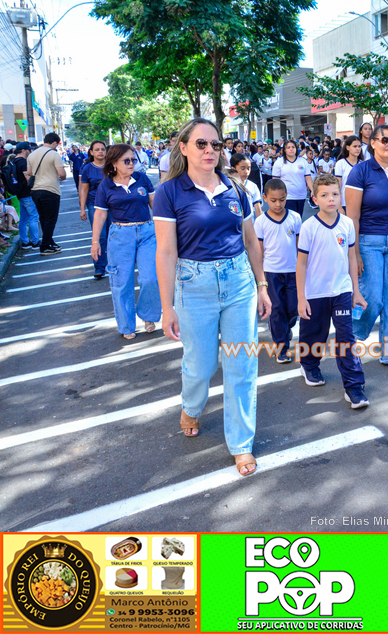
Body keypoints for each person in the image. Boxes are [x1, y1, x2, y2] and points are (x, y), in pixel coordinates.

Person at [153, 118, 271, 478]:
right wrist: (166, 306)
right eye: (201, 144)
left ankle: (241, 444)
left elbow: (251, 241)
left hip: (238, 282)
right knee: (201, 365)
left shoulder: (235, 187)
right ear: (184, 147)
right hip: (194, 285)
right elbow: (166, 252)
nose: (209, 151)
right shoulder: (169, 192)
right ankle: (191, 406)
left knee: (242, 366)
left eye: (215, 145)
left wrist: (262, 285)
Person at [345, 124, 388, 371]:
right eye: (385, 139)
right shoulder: (360, 172)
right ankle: (353, 334)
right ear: (372, 142)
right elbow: (352, 216)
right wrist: (353, 253)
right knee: (371, 296)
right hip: (368, 241)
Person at [296, 173, 368, 408]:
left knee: (346, 338)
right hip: (315, 293)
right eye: (324, 195)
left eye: (335, 194)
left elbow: (350, 258)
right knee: (315, 333)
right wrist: (301, 298)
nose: (331, 199)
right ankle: (309, 364)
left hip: (341, 291)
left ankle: (354, 386)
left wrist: (356, 291)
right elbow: (301, 264)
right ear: (314, 199)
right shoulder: (308, 227)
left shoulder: (347, 224)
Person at [90, 144, 160, 339]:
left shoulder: (142, 179)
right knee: (122, 282)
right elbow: (100, 214)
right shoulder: (106, 185)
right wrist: (95, 241)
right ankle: (126, 325)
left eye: (133, 160)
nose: (131, 164)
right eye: (126, 161)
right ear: (114, 163)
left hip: (147, 232)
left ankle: (148, 315)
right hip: (120, 235)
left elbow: (156, 206)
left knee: (150, 278)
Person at [253, 179, 302, 363]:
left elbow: (300, 246)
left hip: (293, 272)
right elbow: (259, 251)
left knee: (292, 308)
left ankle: (286, 328)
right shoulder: (260, 222)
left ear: (286, 197)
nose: (278, 204)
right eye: (273, 200)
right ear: (265, 198)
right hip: (271, 273)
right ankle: (281, 346)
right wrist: (260, 279)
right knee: (277, 309)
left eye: (282, 200)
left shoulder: (295, 218)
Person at [27, 132, 67, 256]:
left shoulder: (32, 155)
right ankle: (45, 246)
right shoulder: (54, 154)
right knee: (51, 219)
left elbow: (29, 172)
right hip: (50, 190)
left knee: (43, 218)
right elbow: (62, 174)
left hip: (35, 190)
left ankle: (49, 242)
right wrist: (59, 175)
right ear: (54, 142)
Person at [79, 140, 110, 279]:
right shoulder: (87, 168)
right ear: (91, 152)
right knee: (100, 236)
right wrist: (82, 208)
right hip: (94, 205)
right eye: (97, 149)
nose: (100, 152)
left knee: (114, 235)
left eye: (102, 149)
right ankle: (99, 267)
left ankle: (115, 264)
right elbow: (84, 189)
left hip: (112, 205)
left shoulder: (112, 166)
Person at [7, 142, 40, 250]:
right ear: (23, 150)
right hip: (28, 194)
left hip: (20, 194)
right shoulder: (23, 163)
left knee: (24, 219)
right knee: (34, 217)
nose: (29, 151)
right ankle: (35, 242)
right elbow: (28, 179)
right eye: (28, 150)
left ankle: (25, 242)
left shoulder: (13, 161)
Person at [272, 140, 313, 216]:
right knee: (290, 219)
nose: (291, 149)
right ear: (284, 150)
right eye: (288, 147)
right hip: (287, 196)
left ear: (296, 149)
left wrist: (313, 190)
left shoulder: (303, 161)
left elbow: (308, 177)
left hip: (301, 196)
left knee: (298, 218)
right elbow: (275, 181)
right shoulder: (279, 162)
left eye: (293, 147)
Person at [334, 135, 363, 215]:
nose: (358, 149)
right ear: (347, 147)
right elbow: (338, 186)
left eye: (359, 146)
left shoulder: (363, 164)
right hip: (344, 203)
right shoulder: (341, 163)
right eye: (355, 146)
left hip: (360, 204)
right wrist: (339, 207)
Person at [228, 153, 263, 218]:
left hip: (249, 225)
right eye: (242, 169)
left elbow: (258, 210)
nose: (246, 172)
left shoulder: (253, 186)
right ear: (233, 168)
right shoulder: (228, 186)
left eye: (248, 168)